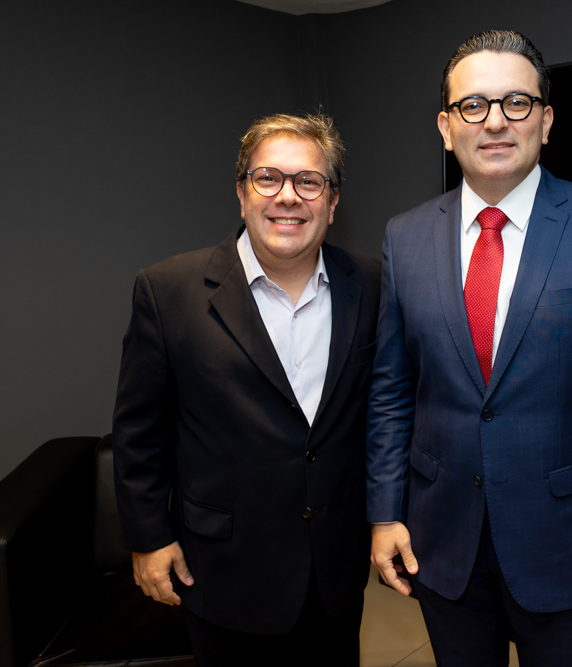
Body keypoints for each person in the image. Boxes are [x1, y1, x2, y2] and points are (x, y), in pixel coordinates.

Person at [367, 30, 572, 667]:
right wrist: (384, 513)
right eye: (473, 105)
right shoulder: (405, 237)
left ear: (546, 120)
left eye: (516, 102)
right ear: (446, 127)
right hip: (443, 543)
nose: (494, 122)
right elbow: (393, 391)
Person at [112, 112, 380, 665]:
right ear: (241, 194)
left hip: (334, 569)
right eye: (268, 178)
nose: (288, 196)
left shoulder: (372, 284)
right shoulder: (168, 291)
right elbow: (139, 431)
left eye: (309, 182)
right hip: (224, 570)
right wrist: (148, 537)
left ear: (332, 202)